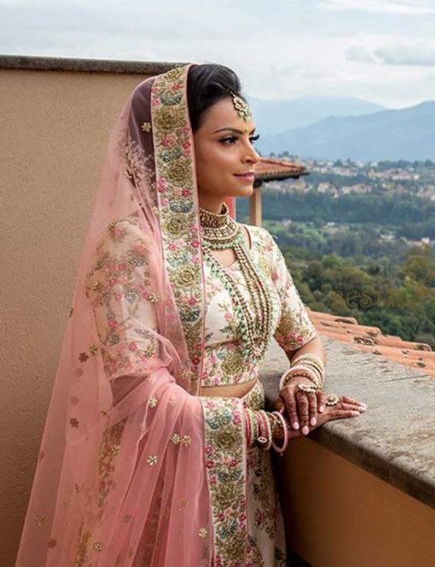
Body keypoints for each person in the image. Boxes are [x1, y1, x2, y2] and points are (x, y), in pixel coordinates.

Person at [16, 63, 367, 566]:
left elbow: (304, 339)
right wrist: (267, 428)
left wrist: (303, 383)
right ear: (176, 148)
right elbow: (138, 390)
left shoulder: (259, 245)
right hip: (162, 479)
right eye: (229, 140)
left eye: (251, 138)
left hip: (249, 481)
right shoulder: (132, 247)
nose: (252, 156)